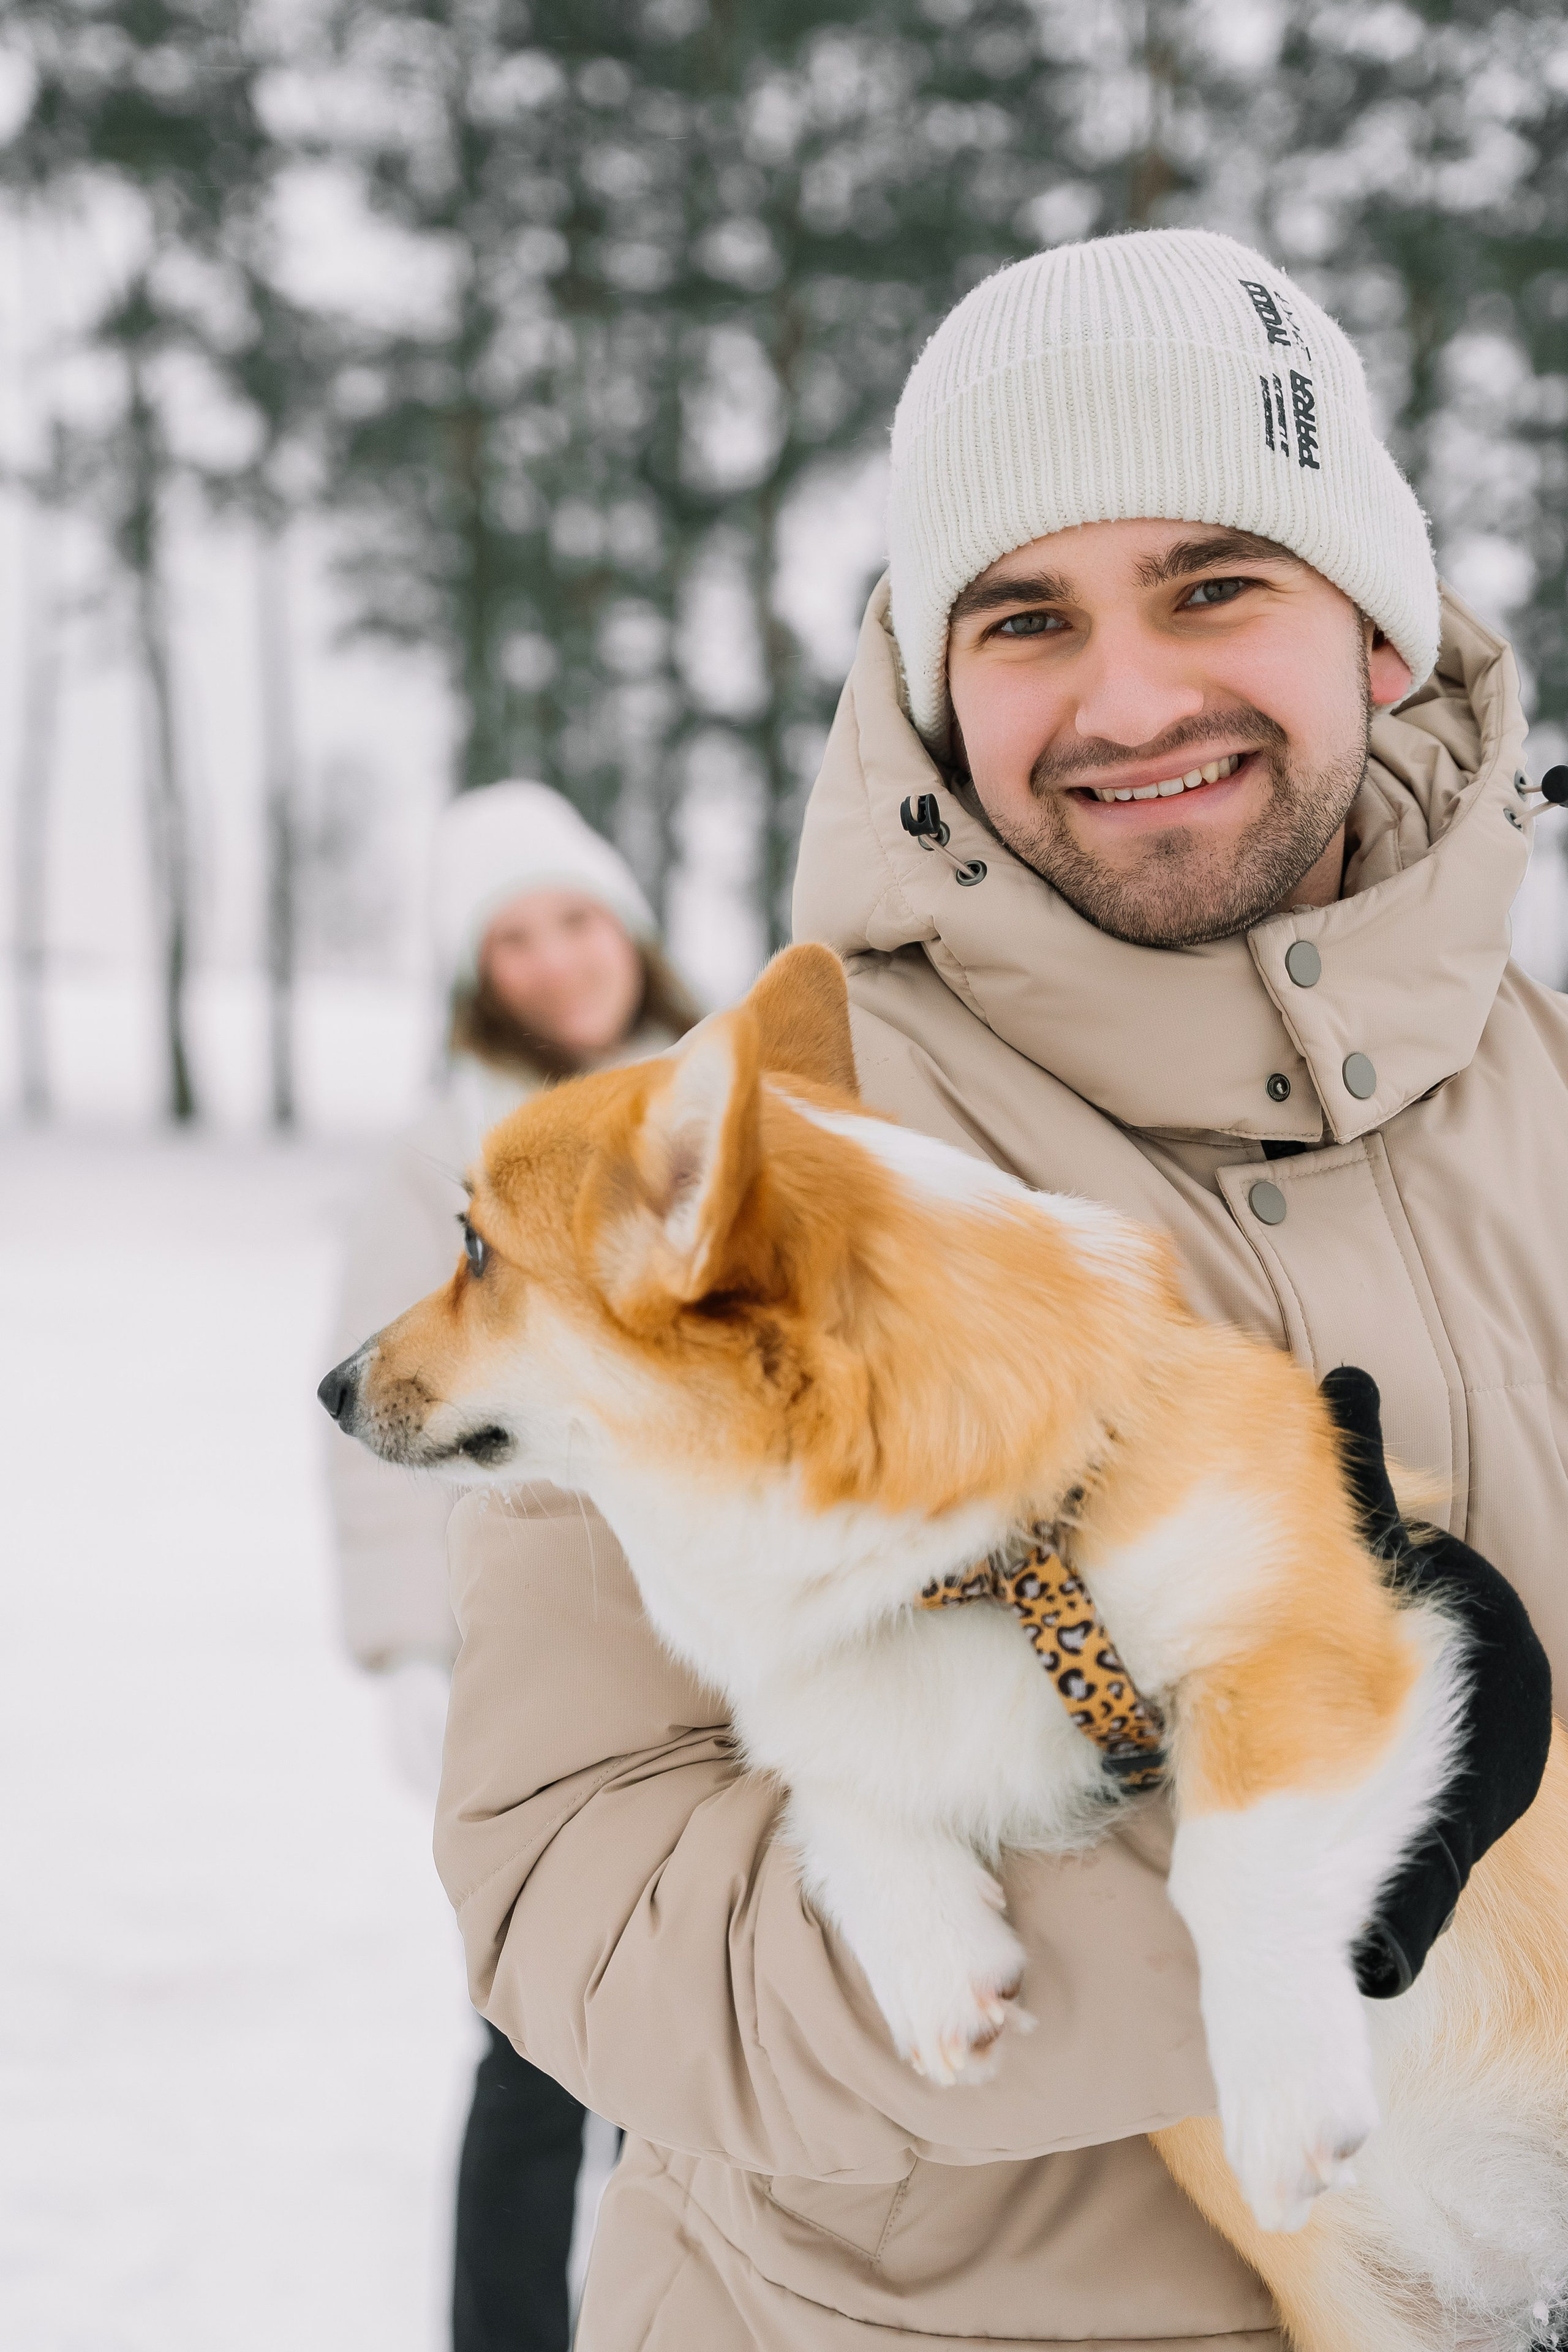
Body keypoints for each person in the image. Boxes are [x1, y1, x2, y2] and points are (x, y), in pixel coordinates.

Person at [428, 234, 1567, 2348]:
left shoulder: (1546, 1071)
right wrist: (1285, 1870)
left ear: (1383, 633)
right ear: (938, 680)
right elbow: (583, 1908)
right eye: (1026, 618)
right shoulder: (783, 1142)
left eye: (1217, 582)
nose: (1129, 702)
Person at [324, 779, 698, 2352]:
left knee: (704, 2034)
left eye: (574, 920)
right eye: (515, 940)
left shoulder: (714, 1099)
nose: (555, 962)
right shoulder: (443, 1155)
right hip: (547, 1645)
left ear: (626, 926)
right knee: (540, 2035)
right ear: (481, 974)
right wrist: (412, 1644)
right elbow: (374, 1410)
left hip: (730, 1627)